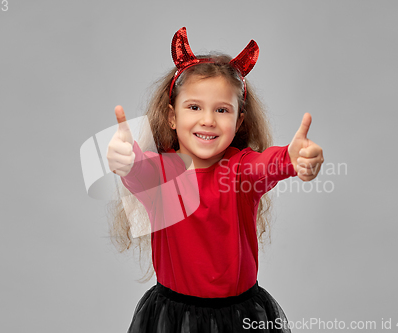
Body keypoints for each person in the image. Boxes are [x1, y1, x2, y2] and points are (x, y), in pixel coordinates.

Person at [107, 27, 324, 332]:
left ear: (238, 121)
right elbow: (140, 172)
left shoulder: (240, 170)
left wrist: (292, 158)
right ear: (172, 117)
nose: (208, 119)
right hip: (173, 319)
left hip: (237, 318)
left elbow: (267, 165)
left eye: (221, 110)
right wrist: (126, 160)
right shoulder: (162, 173)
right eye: (194, 107)